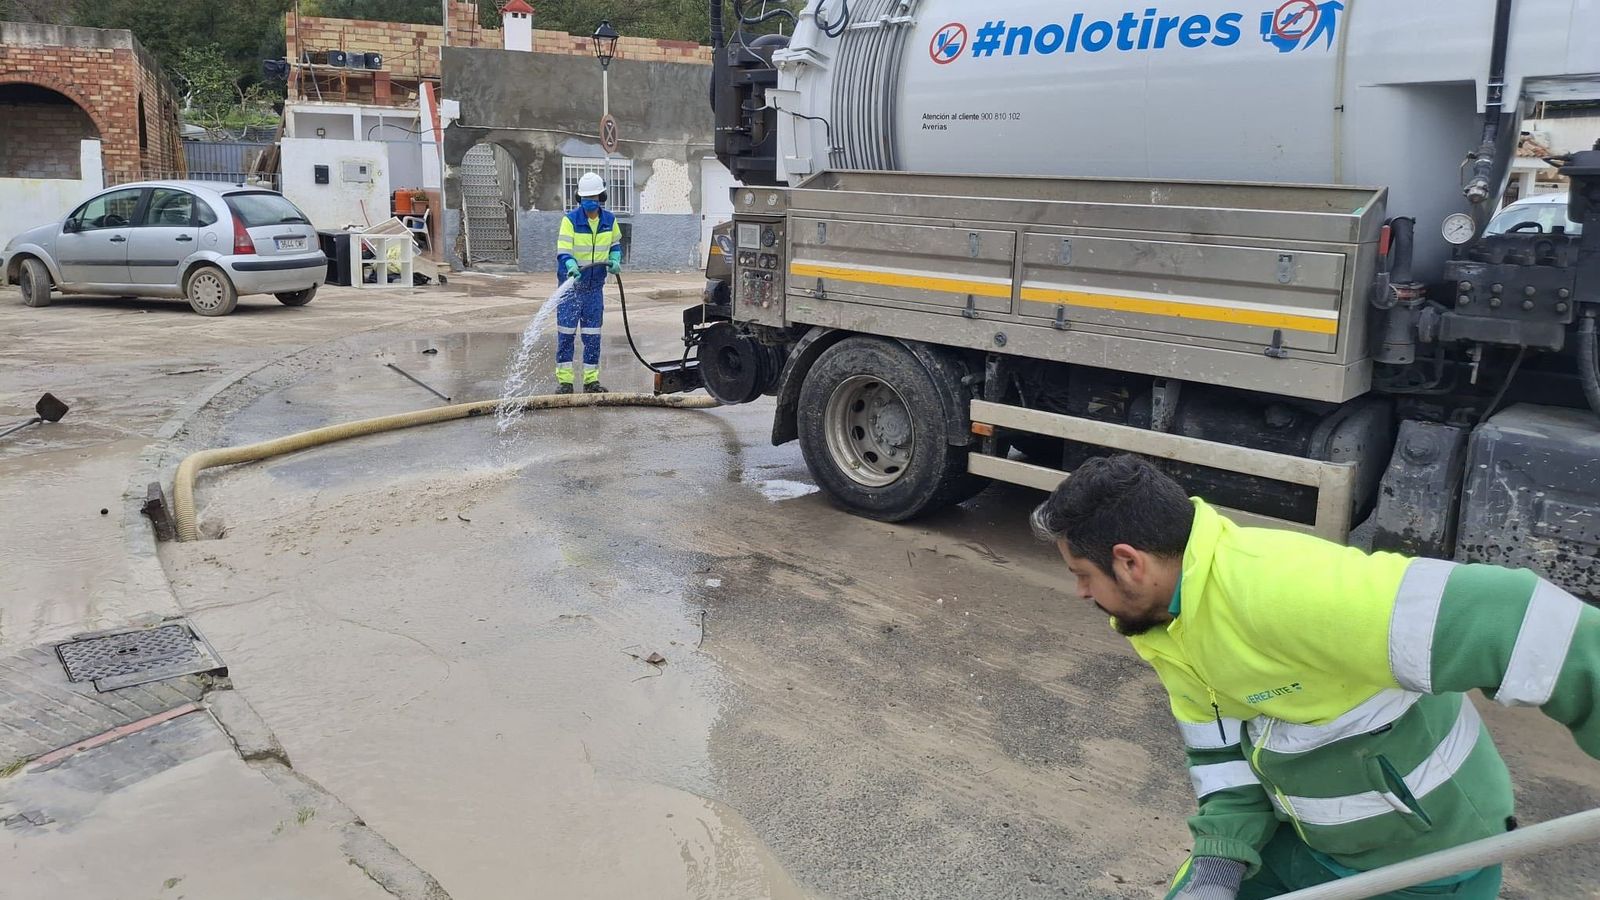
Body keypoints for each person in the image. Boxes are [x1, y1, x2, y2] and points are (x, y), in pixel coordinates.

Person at [1030, 454, 1600, 899]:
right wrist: (1219, 861)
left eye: (1083, 574)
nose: (1080, 591)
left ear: (1129, 562)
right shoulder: (1167, 626)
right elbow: (1221, 755)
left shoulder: (1287, 589)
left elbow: (1524, 621)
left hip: (1428, 863)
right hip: (1313, 844)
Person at [554, 171, 624, 394]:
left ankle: (591, 381)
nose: (590, 202)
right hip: (571, 288)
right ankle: (565, 382)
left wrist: (615, 259)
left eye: (594, 198)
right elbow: (564, 250)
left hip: (594, 288)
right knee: (566, 334)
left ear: (601, 197)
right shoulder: (570, 221)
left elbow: (615, 245)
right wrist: (570, 265)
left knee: (592, 336)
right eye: (586, 198)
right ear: (579, 198)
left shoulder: (609, 220)